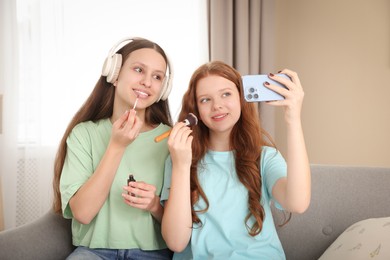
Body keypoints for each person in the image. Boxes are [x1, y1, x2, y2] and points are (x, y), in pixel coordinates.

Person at [160, 61, 311, 259]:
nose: (217, 105)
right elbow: (176, 242)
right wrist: (181, 165)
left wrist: (293, 120)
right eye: (205, 100)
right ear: (195, 110)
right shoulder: (180, 158)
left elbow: (297, 203)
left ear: (241, 98)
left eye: (226, 94)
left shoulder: (265, 157)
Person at [52, 37, 174, 259]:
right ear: (114, 74)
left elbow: (181, 225)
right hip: (93, 251)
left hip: (151, 252)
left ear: (163, 88)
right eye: (138, 70)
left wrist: (155, 204)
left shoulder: (171, 139)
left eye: (157, 77)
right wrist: (116, 146)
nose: (147, 82)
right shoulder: (83, 134)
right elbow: (83, 213)